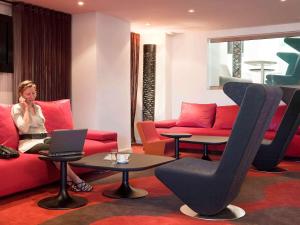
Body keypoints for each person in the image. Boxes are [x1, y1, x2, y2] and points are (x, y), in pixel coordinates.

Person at [11, 80, 92, 192]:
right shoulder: (17, 108)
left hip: (43, 139)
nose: (31, 96)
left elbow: (42, 127)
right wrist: (26, 108)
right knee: (55, 149)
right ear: (21, 95)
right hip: (29, 143)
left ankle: (67, 180)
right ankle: (77, 180)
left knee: (64, 146)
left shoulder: (38, 108)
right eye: (28, 94)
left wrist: (51, 139)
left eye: (33, 93)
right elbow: (24, 128)